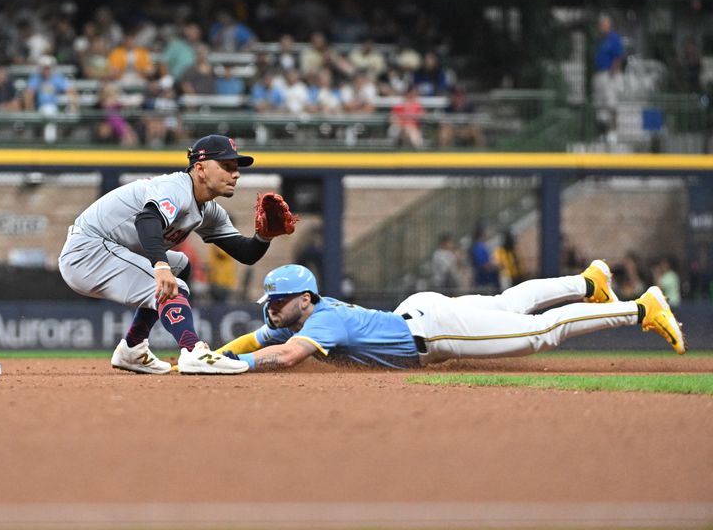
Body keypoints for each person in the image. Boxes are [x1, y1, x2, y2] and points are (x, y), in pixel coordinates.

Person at [58, 134, 290, 375]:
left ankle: (133, 348)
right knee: (172, 282)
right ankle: (193, 351)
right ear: (200, 169)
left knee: (180, 265)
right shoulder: (176, 188)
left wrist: (265, 237)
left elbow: (246, 253)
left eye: (236, 168)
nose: (236, 174)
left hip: (110, 250)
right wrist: (160, 267)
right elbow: (147, 220)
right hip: (88, 251)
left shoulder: (209, 210)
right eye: (226, 166)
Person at [215, 261, 685, 372]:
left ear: (306, 297)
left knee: (540, 331)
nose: (271, 309)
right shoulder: (300, 316)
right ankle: (587, 283)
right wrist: (209, 357)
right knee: (506, 303)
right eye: (270, 303)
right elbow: (255, 340)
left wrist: (239, 367)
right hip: (417, 311)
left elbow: (288, 356)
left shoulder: (320, 323)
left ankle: (641, 307)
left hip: (436, 333)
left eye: (279, 300)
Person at [592, 13, 624, 135]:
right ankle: (603, 132)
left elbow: (618, 57)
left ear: (608, 25)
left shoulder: (614, 38)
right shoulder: (600, 39)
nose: (601, 27)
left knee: (611, 105)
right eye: (600, 25)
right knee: (600, 106)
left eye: (603, 25)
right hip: (600, 74)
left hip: (610, 75)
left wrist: (613, 72)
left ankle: (613, 132)